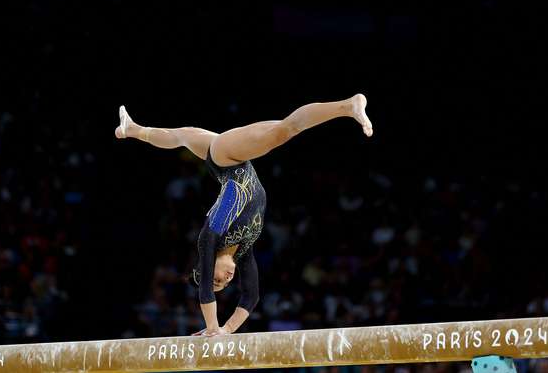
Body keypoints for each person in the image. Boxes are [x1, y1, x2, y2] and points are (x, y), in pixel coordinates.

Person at [115, 94, 373, 336]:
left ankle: (348, 106)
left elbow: (205, 290)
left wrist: (213, 327)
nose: (225, 280)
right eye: (224, 284)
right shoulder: (244, 249)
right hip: (224, 163)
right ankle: (133, 129)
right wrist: (226, 331)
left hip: (228, 158)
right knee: (182, 135)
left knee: (285, 130)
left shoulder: (212, 235)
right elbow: (251, 296)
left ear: (210, 262)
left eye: (216, 278)